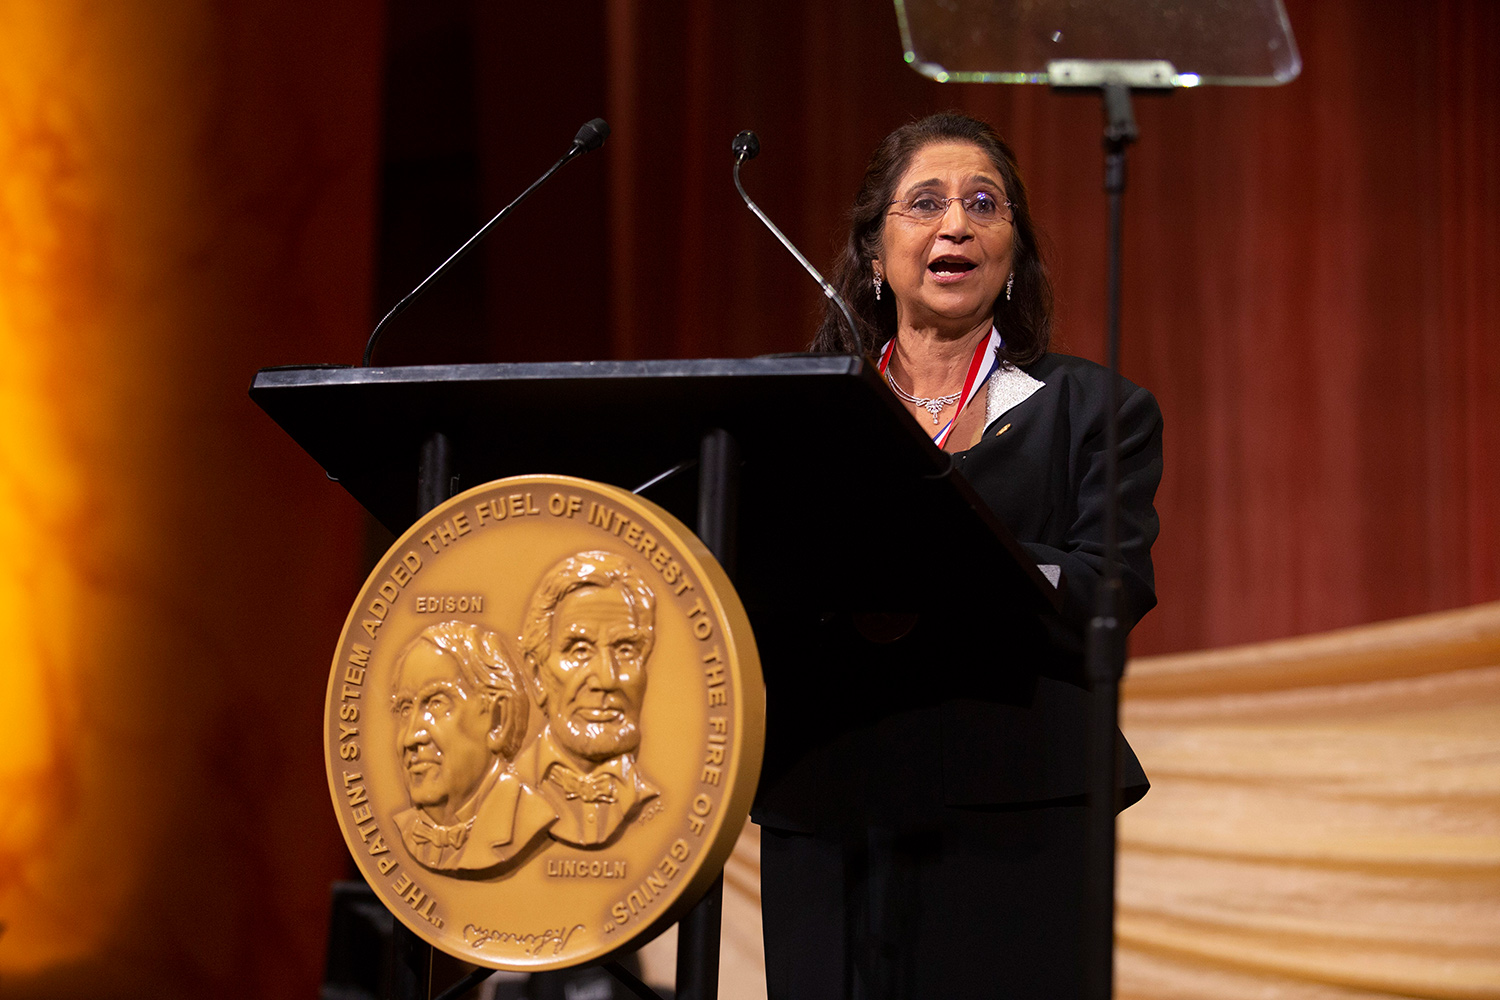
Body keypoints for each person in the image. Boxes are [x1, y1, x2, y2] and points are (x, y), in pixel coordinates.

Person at [752, 112, 1163, 999]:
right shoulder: (807, 411)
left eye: (986, 204)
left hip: (1018, 807)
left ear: (1013, 253)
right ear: (873, 252)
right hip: (831, 802)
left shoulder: (1093, 409)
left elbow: (1111, 588)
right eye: (926, 203)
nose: (956, 224)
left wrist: (966, 563)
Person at [514, 550, 660, 848]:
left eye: (625, 650)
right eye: (580, 651)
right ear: (537, 673)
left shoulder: (666, 798)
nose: (607, 679)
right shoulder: (502, 795)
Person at [390, 620, 555, 873]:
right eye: (404, 708)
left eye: (436, 704)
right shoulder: (404, 830)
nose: (411, 737)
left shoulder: (530, 819)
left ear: (498, 719)